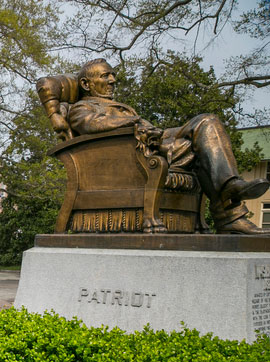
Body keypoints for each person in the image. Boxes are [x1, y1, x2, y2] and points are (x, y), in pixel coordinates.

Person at [68, 59, 270, 235]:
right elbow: (91, 124)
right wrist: (134, 123)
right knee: (201, 141)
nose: (112, 81)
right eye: (105, 76)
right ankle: (230, 210)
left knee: (207, 123)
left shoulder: (120, 107)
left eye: (113, 75)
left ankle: (230, 203)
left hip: (156, 145)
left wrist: (145, 127)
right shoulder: (82, 107)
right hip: (133, 160)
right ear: (86, 84)